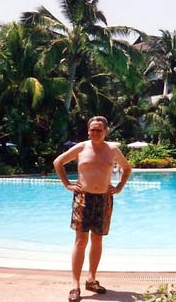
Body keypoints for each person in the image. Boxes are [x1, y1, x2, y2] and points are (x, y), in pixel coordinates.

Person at [53, 116, 132, 302]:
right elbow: (58, 162)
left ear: (105, 131)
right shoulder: (81, 147)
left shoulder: (112, 150)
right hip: (83, 198)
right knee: (81, 241)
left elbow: (127, 169)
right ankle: (75, 285)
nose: (95, 133)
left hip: (104, 199)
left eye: (99, 130)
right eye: (92, 129)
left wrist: (119, 186)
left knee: (97, 240)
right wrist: (68, 184)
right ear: (88, 130)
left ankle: (91, 279)